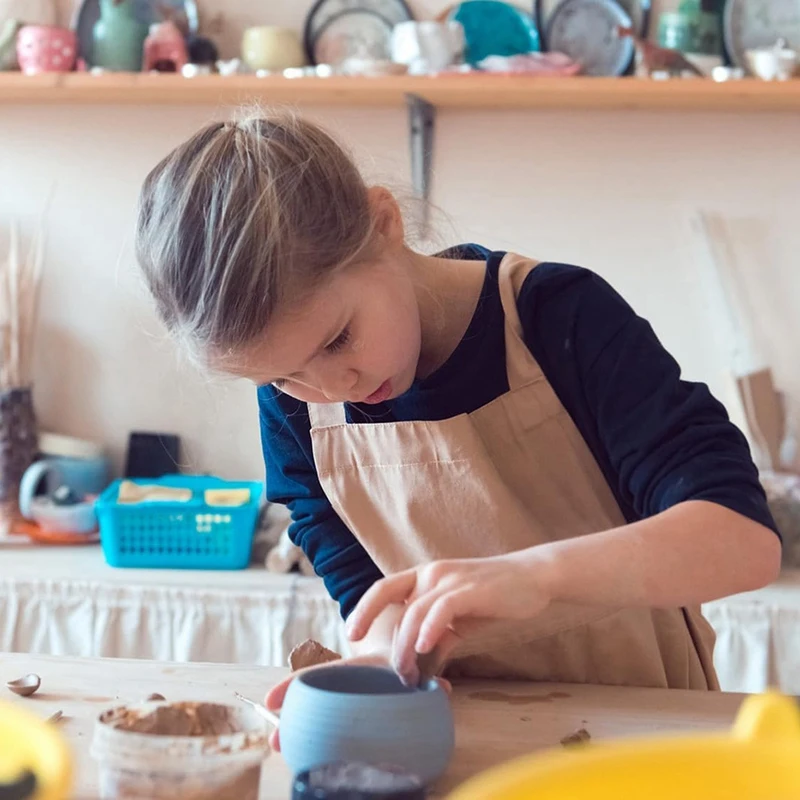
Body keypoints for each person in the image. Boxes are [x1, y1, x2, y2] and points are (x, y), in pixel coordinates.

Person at [135, 112, 781, 748]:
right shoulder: (297, 402)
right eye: (281, 377)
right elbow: (364, 587)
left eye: (338, 339)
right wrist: (385, 661)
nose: (331, 388)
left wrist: (536, 577)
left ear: (383, 224)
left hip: (645, 731)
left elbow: (743, 540)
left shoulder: (558, 316)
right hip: (465, 736)